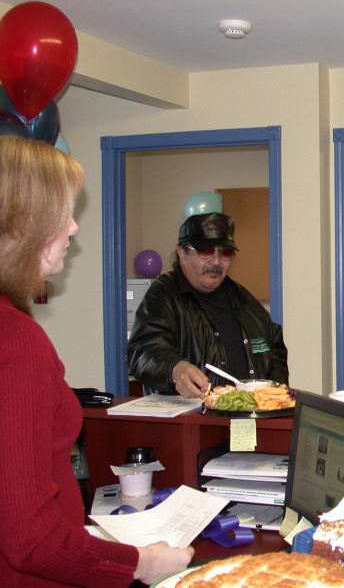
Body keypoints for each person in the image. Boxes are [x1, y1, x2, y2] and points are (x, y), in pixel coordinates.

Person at [0, 137, 194, 586]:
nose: (72, 228)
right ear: (20, 222)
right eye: (62, 213)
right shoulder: (15, 341)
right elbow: (31, 541)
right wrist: (143, 563)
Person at [127, 212, 288, 397]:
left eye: (225, 253)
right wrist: (175, 368)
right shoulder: (164, 295)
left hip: (247, 419)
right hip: (191, 420)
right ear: (182, 253)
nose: (217, 262)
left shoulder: (242, 298)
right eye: (206, 251)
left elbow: (274, 347)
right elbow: (142, 351)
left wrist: (273, 397)